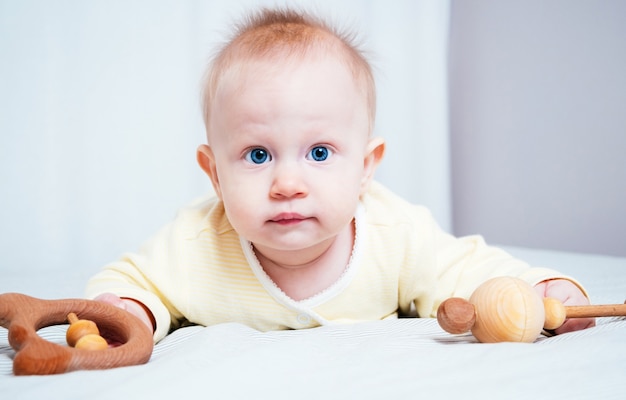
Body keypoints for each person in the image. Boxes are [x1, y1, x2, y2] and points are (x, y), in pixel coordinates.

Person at [86, 7, 594, 343]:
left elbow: (469, 270)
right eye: (258, 155)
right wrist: (130, 311)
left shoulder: (395, 237)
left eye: (320, 153)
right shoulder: (196, 243)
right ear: (214, 174)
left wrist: (543, 288)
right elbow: (130, 280)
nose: (288, 183)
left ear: (365, 168)